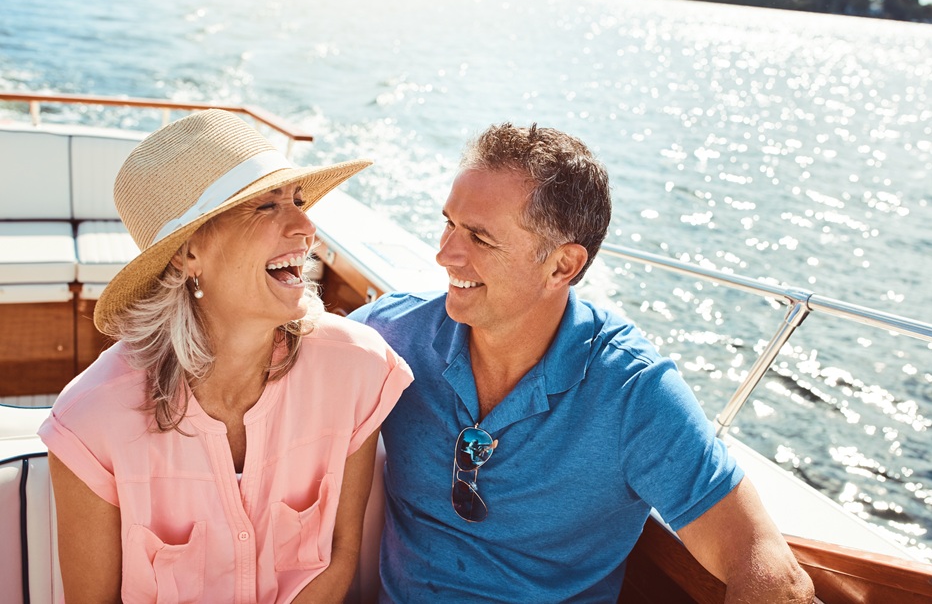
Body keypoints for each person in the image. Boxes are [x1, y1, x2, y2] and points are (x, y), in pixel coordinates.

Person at [349, 123, 815, 602]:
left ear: (562, 266)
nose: (445, 253)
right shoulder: (392, 334)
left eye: (480, 238)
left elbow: (772, 574)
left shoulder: (632, 393)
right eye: (449, 222)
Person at [38, 109, 414, 603]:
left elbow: (341, 552)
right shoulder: (91, 422)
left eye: (298, 200)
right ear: (188, 253)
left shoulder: (357, 369)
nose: (306, 226)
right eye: (265, 207)